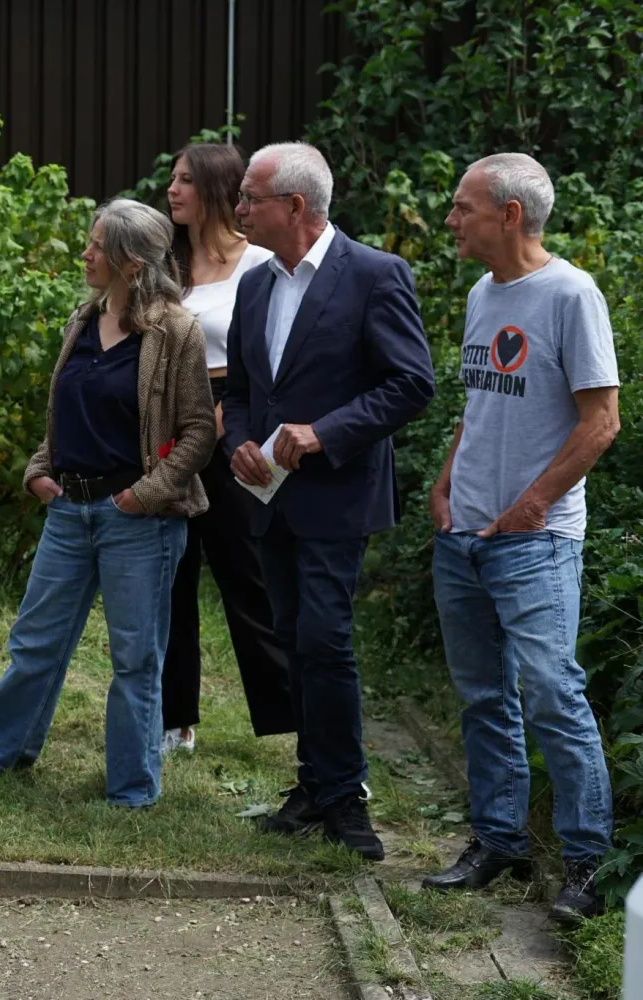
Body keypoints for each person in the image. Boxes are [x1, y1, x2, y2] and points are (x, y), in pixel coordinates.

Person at [0, 199, 216, 808]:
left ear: (131, 262)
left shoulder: (176, 331)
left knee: (135, 659)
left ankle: (131, 788)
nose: (85, 253)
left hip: (138, 520)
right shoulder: (81, 321)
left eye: (96, 244)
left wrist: (143, 495)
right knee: (36, 642)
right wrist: (38, 470)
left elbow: (197, 432)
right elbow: (66, 417)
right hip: (69, 513)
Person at [222, 142, 435, 860]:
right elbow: (244, 391)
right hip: (268, 496)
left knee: (325, 639)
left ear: (296, 207)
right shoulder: (255, 284)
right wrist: (239, 444)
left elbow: (411, 383)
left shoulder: (375, 275)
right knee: (293, 639)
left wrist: (323, 434)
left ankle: (346, 798)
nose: (239, 208)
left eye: (250, 197)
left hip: (338, 494)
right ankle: (313, 786)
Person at [422, 154, 618, 923]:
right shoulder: (481, 291)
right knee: (482, 699)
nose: (451, 219)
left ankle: (587, 863)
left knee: (552, 695)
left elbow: (601, 422)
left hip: (533, 541)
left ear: (509, 214)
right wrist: (445, 483)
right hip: (463, 533)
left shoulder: (572, 294)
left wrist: (533, 505)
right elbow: (483, 403)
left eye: (463, 207)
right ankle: (497, 841)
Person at [160, 143, 293, 755]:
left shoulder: (260, 265)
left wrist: (223, 420)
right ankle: (173, 719)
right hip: (166, 427)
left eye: (186, 179)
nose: (172, 189)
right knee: (170, 577)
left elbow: (271, 360)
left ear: (217, 188)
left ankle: (293, 722)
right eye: (172, 178)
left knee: (249, 580)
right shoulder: (165, 261)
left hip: (232, 427)